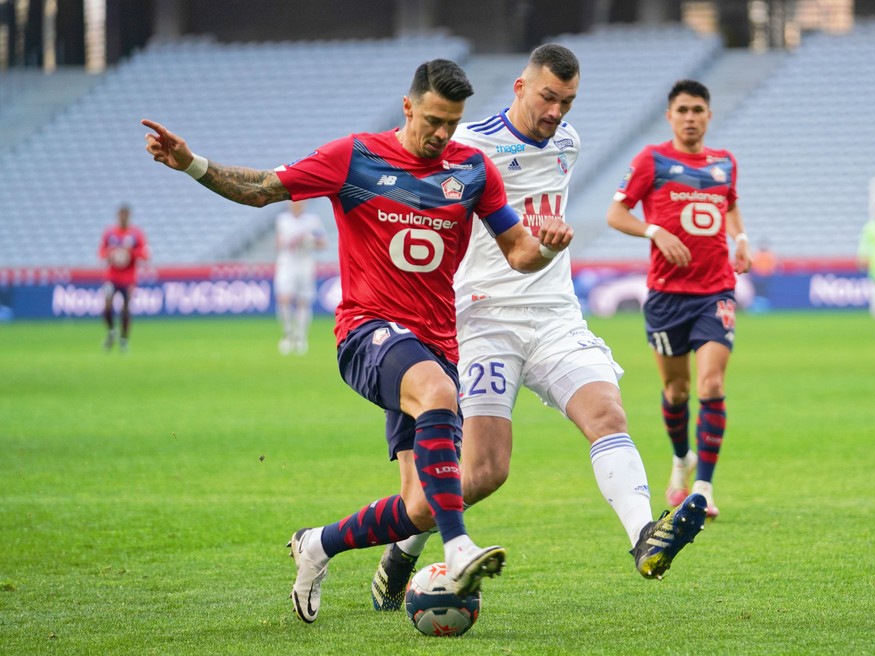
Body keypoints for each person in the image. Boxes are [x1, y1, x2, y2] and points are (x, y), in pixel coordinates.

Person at [141, 58, 573, 624]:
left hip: (436, 344)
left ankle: (317, 543)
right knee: (439, 394)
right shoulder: (355, 157)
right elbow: (264, 190)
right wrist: (192, 164)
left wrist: (546, 247)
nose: (442, 134)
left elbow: (518, 250)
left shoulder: (472, 168)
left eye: (452, 123)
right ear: (409, 106)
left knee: (419, 506)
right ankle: (460, 547)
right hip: (368, 331)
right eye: (434, 120)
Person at [369, 45, 708, 612]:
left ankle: (645, 537)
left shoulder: (568, 142)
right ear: (520, 87)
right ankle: (405, 547)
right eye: (548, 97)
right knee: (481, 473)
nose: (556, 112)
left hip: (554, 316)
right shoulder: (467, 145)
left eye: (568, 102)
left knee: (608, 414)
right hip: (482, 320)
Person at [606, 79, 751, 520]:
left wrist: (740, 237)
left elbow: (728, 205)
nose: (691, 118)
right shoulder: (652, 160)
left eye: (698, 110)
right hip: (667, 297)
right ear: (670, 116)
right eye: (683, 110)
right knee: (676, 389)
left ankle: (703, 487)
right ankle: (681, 458)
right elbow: (616, 213)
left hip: (715, 292)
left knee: (710, 385)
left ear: (709, 115)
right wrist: (655, 230)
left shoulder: (725, 163)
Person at [274, 200, 328, 355]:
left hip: (305, 264)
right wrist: (289, 242)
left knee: (303, 301)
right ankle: (288, 333)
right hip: (287, 263)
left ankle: (301, 337)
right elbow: (278, 242)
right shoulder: (282, 219)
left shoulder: (312, 221)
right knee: (284, 298)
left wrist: (310, 241)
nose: (296, 205)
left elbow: (323, 243)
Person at [98, 204, 150, 353]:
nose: (123, 218)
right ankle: (111, 331)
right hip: (111, 277)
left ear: (129, 216)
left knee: (126, 309)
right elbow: (101, 252)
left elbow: (145, 254)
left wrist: (131, 253)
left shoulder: (136, 234)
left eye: (125, 215)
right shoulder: (110, 233)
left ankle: (124, 339)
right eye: (121, 215)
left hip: (128, 278)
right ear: (118, 216)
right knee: (107, 305)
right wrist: (110, 254)